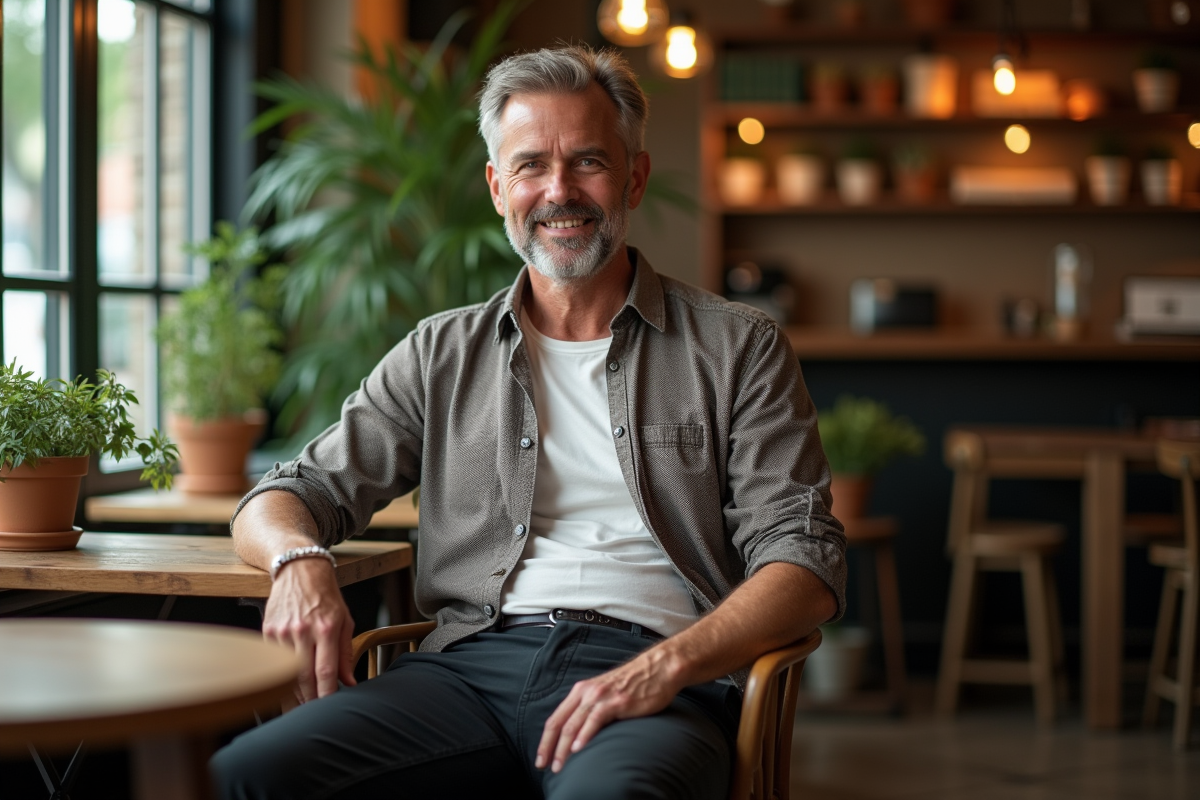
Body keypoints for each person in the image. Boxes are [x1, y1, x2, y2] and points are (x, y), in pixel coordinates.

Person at [212, 44, 845, 800]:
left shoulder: (738, 346)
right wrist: (298, 563)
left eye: (588, 162)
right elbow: (287, 495)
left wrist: (671, 665)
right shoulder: (441, 352)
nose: (559, 191)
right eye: (530, 166)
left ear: (634, 178)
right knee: (243, 775)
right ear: (496, 187)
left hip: (656, 678)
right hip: (464, 675)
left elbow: (804, 560)